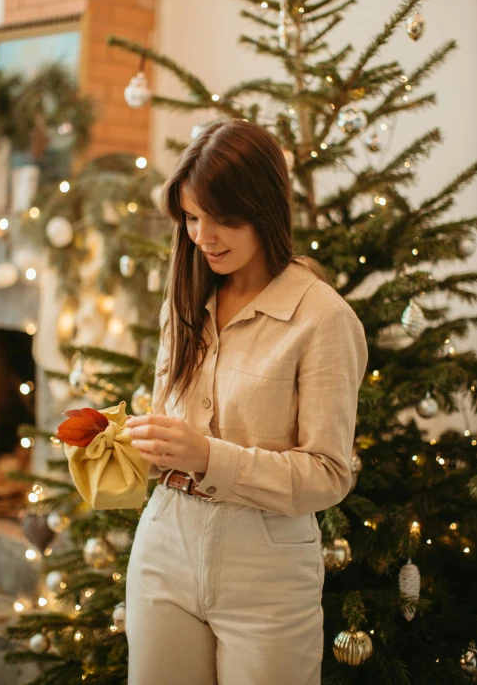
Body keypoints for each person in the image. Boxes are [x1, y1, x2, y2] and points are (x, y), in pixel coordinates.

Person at [124, 119, 368, 685]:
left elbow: (329, 474)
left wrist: (208, 457)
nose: (202, 235)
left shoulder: (323, 318)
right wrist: (126, 443)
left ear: (263, 208)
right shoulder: (184, 301)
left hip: (268, 570)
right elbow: (170, 427)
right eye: (190, 216)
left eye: (222, 217)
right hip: (164, 546)